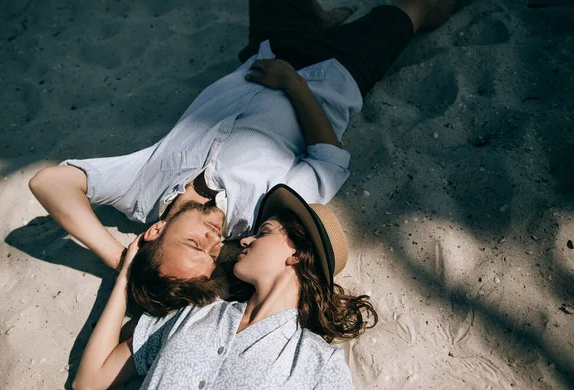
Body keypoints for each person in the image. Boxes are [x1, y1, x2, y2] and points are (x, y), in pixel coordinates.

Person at [29, 0, 456, 281]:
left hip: (266, 50)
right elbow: (329, 161)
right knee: (412, 9)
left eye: (197, 243)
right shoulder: (259, 214)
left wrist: (118, 259)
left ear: (154, 231)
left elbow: (49, 182)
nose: (216, 240)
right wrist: (294, 85)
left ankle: (317, 18)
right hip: (336, 73)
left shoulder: (140, 188)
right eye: (214, 252)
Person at [71, 184, 377, 390]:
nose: (245, 241)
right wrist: (126, 273)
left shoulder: (317, 363)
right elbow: (89, 379)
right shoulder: (192, 313)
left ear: (297, 254)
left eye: (264, 232)